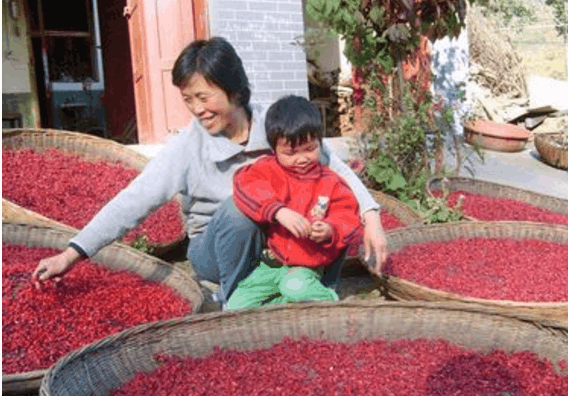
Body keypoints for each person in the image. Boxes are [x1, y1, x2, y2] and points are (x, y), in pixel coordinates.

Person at [32, 37, 387, 308]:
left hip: (278, 244)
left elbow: (335, 172)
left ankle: (304, 290)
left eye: (204, 97)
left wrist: (370, 218)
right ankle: (234, 304)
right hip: (215, 250)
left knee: (328, 212)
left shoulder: (279, 125)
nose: (197, 109)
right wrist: (71, 253)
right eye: (189, 100)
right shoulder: (188, 147)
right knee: (240, 206)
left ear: (233, 89)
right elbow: (133, 200)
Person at [227, 95, 360, 309]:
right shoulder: (268, 170)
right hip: (271, 264)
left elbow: (348, 216)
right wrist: (277, 211)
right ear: (274, 150)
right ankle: (290, 306)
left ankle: (330, 301)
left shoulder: (330, 182)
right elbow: (244, 183)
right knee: (235, 305)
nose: (301, 159)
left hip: (306, 265)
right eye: (290, 153)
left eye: (310, 149)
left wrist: (329, 229)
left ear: (320, 142)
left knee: (294, 286)